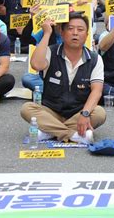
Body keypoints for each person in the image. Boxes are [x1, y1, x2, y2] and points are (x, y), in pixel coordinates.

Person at [20, 13, 106, 144]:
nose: (75, 33)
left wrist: (85, 114)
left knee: (99, 113)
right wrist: (47, 34)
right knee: (27, 108)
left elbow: (97, 91)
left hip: (78, 112)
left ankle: (49, 131)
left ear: (87, 35)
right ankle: (74, 135)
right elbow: (36, 65)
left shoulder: (95, 59)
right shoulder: (51, 51)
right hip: (51, 110)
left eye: (80, 29)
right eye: (70, 29)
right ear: (62, 32)